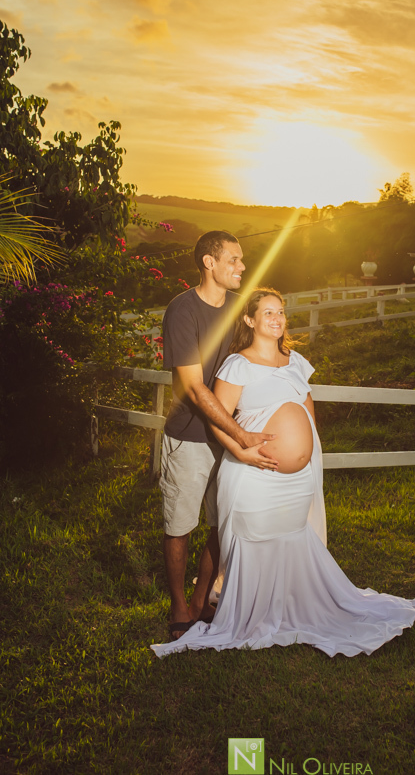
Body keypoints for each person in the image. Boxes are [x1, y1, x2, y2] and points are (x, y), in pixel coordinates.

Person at [152, 289, 415, 658]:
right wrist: (240, 452)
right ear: (249, 321)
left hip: (296, 481)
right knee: (255, 542)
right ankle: (249, 612)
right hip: (254, 477)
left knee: (290, 542)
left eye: (281, 312)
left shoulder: (297, 362)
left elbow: (309, 416)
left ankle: (288, 606)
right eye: (268, 313)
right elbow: (221, 421)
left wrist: (309, 461)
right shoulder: (237, 365)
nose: (278, 319)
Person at [160, 233, 278, 641]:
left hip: (225, 439)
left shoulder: (236, 310)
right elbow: (193, 387)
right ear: (209, 263)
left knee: (220, 522)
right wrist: (242, 434)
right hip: (191, 437)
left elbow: (262, 351)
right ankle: (178, 608)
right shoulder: (182, 310)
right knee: (181, 524)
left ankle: (200, 600)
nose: (242, 267)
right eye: (234, 259)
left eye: (242, 260)